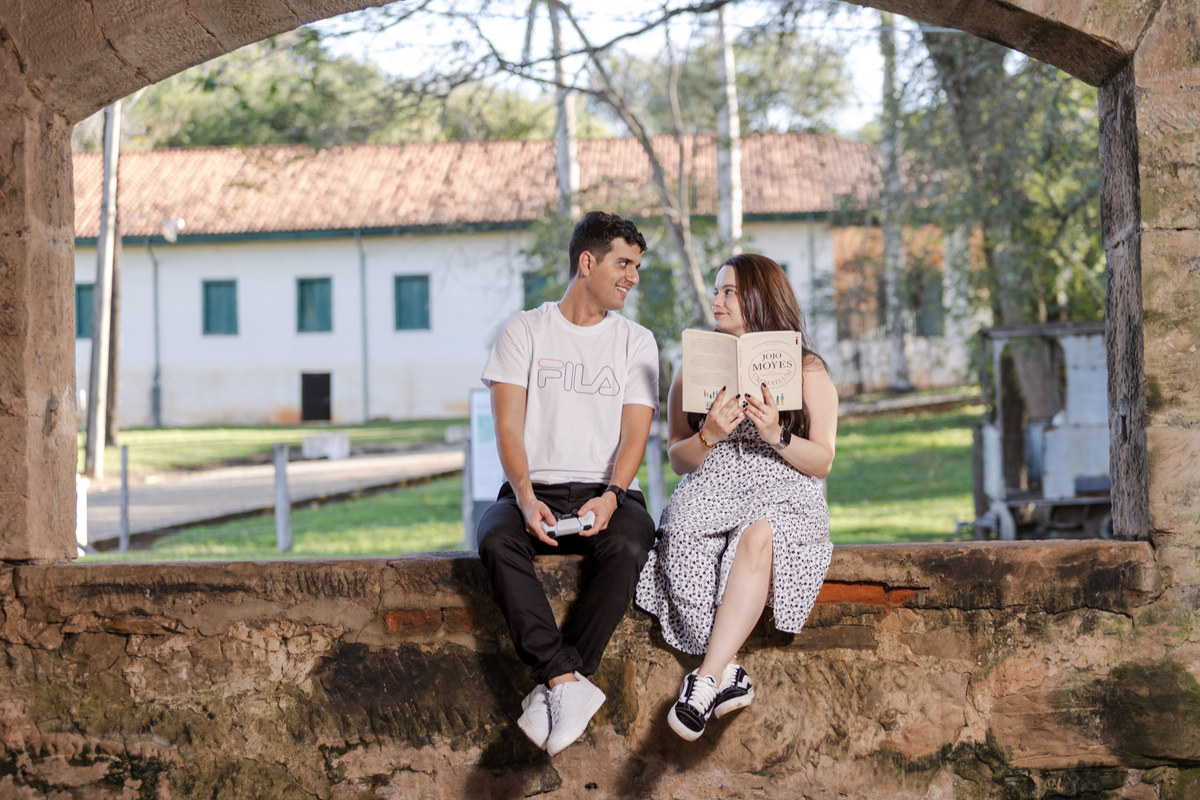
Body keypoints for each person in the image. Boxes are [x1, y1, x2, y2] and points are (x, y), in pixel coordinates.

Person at [476, 211, 660, 757]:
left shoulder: (637, 341)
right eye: (623, 263)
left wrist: (612, 495)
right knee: (495, 537)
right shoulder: (524, 331)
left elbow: (635, 434)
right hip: (538, 490)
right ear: (588, 262)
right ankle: (566, 682)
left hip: (608, 491)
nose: (632, 276)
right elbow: (507, 426)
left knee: (631, 541)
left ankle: (554, 685)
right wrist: (527, 498)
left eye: (636, 266)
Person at [635, 253, 838, 741]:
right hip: (715, 479)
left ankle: (705, 681)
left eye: (730, 291)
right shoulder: (696, 366)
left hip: (782, 481)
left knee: (759, 536)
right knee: (679, 533)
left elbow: (824, 460)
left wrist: (776, 434)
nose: (717, 300)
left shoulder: (808, 369)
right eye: (717, 290)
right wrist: (708, 434)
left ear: (759, 297)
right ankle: (729, 673)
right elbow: (678, 459)